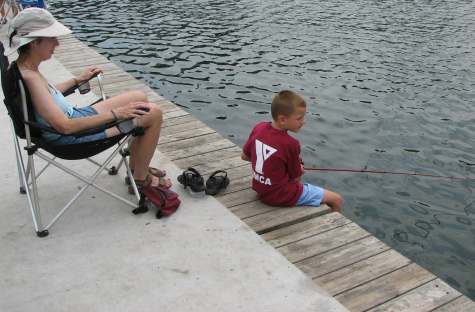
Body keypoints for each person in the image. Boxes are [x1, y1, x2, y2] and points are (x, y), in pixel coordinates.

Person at [6, 7, 170, 190]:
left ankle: (137, 166)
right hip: (73, 137)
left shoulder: (22, 69)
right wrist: (117, 113)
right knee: (153, 113)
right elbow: (65, 127)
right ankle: (141, 179)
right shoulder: (31, 78)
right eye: (52, 38)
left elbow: (45, 95)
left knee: (138, 97)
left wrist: (77, 80)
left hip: (73, 117)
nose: (57, 44)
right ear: (34, 43)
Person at [241, 90, 343, 212]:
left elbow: (244, 156)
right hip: (280, 195)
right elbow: (295, 179)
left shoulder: (259, 127)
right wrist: (299, 169)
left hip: (260, 190)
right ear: (283, 119)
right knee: (336, 199)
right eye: (299, 118)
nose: (303, 122)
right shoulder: (291, 144)